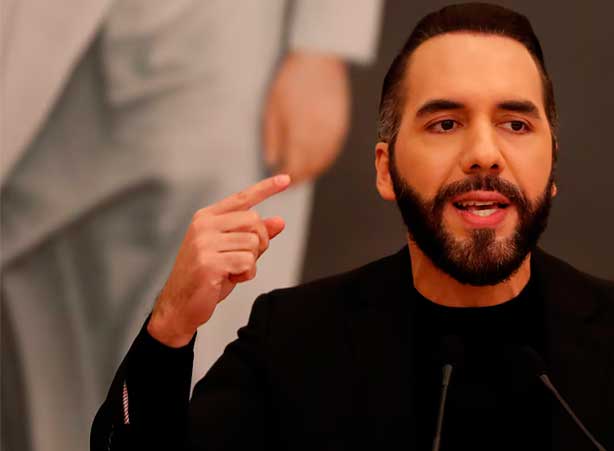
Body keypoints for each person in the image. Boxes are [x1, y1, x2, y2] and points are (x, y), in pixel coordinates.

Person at [91, 3, 614, 450]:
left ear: (552, 167)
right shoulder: (290, 343)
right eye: (445, 123)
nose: (484, 154)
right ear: (385, 168)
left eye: (515, 124)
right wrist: (169, 328)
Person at [1, 1, 382, 451]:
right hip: (31, 49)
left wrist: (323, 43)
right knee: (51, 344)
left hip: (218, 43)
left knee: (209, 340)